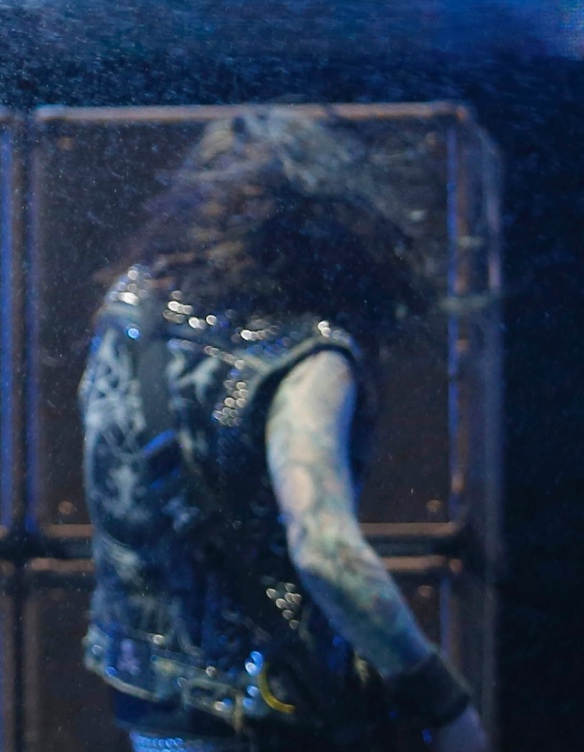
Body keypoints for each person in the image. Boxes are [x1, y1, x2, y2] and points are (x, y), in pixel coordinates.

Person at [78, 110, 488, 752]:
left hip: (150, 709)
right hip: (269, 718)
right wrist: (443, 702)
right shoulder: (307, 360)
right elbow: (327, 551)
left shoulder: (129, 315)